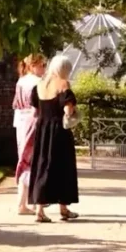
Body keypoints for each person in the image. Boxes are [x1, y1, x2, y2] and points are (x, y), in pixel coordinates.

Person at [28, 53, 79, 222]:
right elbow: (67, 110)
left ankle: (40, 210)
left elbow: (36, 107)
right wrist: (72, 113)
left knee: (44, 165)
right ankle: (64, 208)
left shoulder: (41, 83)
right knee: (63, 167)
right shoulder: (63, 84)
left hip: (42, 129)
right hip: (59, 130)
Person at [12, 53, 46, 214]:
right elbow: (39, 107)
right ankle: (34, 200)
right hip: (34, 122)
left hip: (21, 122)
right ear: (33, 66)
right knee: (34, 161)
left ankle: (22, 203)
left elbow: (17, 106)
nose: (44, 69)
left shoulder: (21, 81)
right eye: (42, 65)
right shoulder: (38, 82)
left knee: (23, 160)